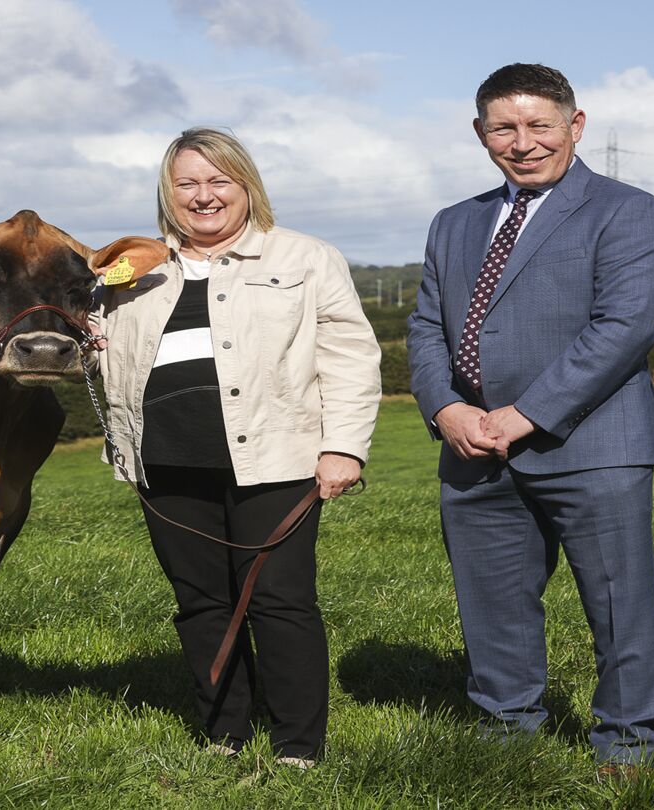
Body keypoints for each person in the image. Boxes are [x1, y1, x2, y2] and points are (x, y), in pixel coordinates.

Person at [406, 64, 654, 772]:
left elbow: (624, 327)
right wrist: (446, 409)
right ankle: (507, 735)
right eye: (505, 127)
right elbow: (425, 329)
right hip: (474, 449)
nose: (523, 142)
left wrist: (525, 414)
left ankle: (627, 743)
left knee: (619, 603)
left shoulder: (628, 211)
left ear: (576, 126)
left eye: (540, 125)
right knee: (492, 604)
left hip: (593, 443)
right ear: (481, 133)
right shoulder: (455, 221)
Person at [93, 127, 381, 767]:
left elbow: (351, 357)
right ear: (167, 193)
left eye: (218, 181)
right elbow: (77, 342)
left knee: (279, 602)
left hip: (277, 458)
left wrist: (345, 448)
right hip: (164, 464)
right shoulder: (132, 269)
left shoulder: (305, 258)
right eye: (186, 183)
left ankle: (297, 748)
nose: (204, 196)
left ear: (246, 185)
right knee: (200, 603)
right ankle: (225, 734)